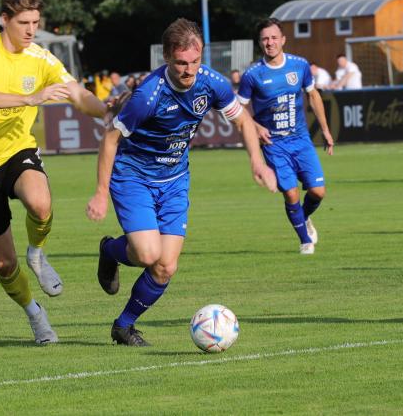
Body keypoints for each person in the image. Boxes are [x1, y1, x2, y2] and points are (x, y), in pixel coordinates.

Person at [86, 18, 277, 346]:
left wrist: (256, 162)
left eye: (195, 61)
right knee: (147, 255)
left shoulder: (211, 83)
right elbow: (110, 139)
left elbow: (244, 121)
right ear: (166, 58)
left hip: (175, 179)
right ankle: (110, 250)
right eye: (181, 63)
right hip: (134, 177)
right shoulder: (149, 95)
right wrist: (101, 192)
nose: (189, 70)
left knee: (165, 266)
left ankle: (123, 326)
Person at [0, 0, 110, 344]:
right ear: (4, 19)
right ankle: (34, 314)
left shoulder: (41, 57)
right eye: (23, 22)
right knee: (3, 265)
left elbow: (78, 95)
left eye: (36, 22)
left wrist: (112, 109)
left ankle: (38, 254)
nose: (30, 30)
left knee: (40, 203)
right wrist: (30, 96)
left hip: (17, 151)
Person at [237, 18, 335, 255]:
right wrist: (257, 127)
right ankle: (305, 241)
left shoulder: (299, 66)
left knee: (318, 192)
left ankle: (304, 216)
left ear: (283, 40)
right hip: (274, 144)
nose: (269, 43)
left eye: (273, 38)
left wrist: (325, 130)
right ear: (260, 43)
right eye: (264, 39)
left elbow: (313, 97)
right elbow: (239, 111)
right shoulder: (252, 75)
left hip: (301, 139)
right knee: (290, 192)